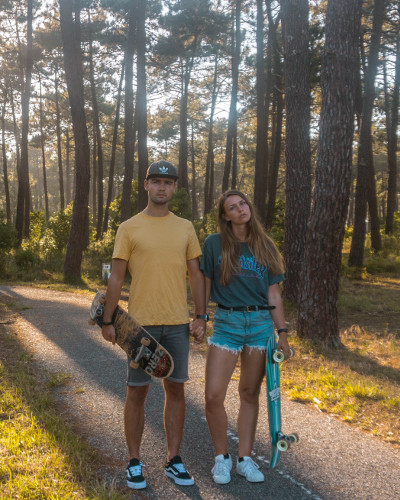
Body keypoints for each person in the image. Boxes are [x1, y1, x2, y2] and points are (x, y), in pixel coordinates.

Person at [101, 160, 206, 490]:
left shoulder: (186, 227)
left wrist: (201, 316)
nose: (162, 187)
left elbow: (196, 274)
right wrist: (108, 318)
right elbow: (117, 276)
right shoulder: (129, 227)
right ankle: (134, 460)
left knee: (176, 390)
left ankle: (174, 459)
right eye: (156, 181)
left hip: (177, 324)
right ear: (146, 185)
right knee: (137, 392)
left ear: (175, 188)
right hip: (140, 327)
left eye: (168, 182)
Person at [200, 189, 290, 485]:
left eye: (243, 204)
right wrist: (200, 317)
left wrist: (283, 333)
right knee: (213, 395)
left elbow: (273, 293)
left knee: (249, 394)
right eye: (233, 207)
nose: (241, 210)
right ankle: (221, 459)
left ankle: (245, 459)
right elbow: (204, 282)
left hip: (261, 325)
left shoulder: (264, 245)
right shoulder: (215, 244)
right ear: (224, 216)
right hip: (227, 322)